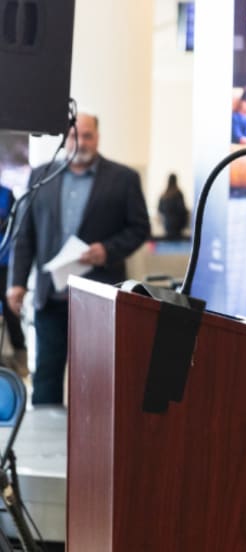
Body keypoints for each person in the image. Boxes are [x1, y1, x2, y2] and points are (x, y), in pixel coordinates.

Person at [7, 113, 150, 405]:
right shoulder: (41, 176)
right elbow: (26, 236)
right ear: (65, 138)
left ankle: (93, 446)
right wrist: (16, 283)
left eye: (87, 135)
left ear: (98, 137)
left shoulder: (123, 179)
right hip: (52, 296)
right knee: (46, 377)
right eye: (74, 136)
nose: (80, 142)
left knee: (98, 379)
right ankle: (45, 446)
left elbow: (139, 228)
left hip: (102, 299)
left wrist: (108, 250)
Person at [0, 185, 28, 377]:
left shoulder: (6, 194)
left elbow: (15, 227)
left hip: (4, 262)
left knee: (11, 312)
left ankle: (20, 361)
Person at [157, 172, 189, 240]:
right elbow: (182, 209)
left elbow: (160, 209)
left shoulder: (164, 194)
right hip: (178, 225)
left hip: (168, 225)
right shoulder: (178, 194)